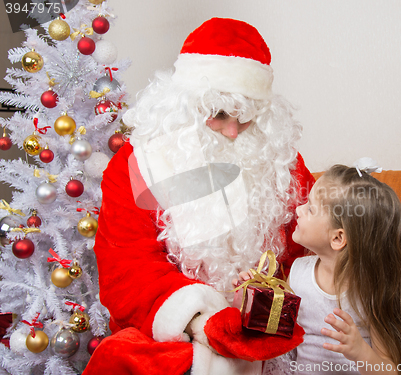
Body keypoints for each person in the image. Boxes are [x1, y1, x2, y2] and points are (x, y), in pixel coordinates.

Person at [82, 18, 316, 375]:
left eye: (247, 118)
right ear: (186, 106)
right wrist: (198, 320)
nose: (234, 131)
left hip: (263, 330)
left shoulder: (282, 160)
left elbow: (310, 251)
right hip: (174, 330)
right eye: (219, 114)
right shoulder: (137, 163)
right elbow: (127, 267)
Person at [242, 164, 401, 374]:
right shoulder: (299, 273)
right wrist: (250, 296)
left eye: (310, 208)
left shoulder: (371, 293)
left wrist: (361, 352)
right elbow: (276, 328)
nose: (298, 209)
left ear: (338, 238)